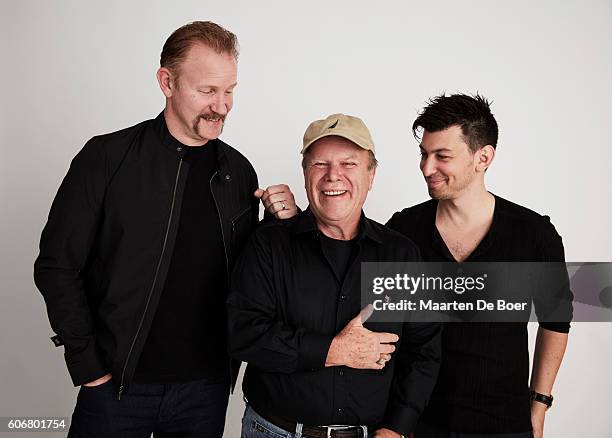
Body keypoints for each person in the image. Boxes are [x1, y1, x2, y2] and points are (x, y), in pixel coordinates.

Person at [33, 21, 296, 437]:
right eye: (207, 90)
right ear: (166, 81)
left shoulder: (239, 172)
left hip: (205, 391)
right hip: (116, 388)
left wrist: (284, 227)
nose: (222, 105)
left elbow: (250, 282)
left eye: (229, 90)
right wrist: (89, 367)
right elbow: (56, 267)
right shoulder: (106, 158)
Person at [227, 113, 442, 438]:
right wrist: (334, 350)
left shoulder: (400, 255)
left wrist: (398, 427)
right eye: (320, 164)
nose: (333, 176)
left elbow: (424, 350)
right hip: (272, 431)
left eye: (349, 164)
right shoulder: (269, 244)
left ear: (371, 174)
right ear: (304, 174)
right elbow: (243, 334)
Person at [386, 93, 573, 438]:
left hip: (505, 425)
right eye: (424, 155)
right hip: (418, 424)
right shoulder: (402, 230)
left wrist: (539, 405)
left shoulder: (534, 234)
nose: (427, 168)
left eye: (442, 156)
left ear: (482, 157)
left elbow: (556, 322)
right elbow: (382, 323)